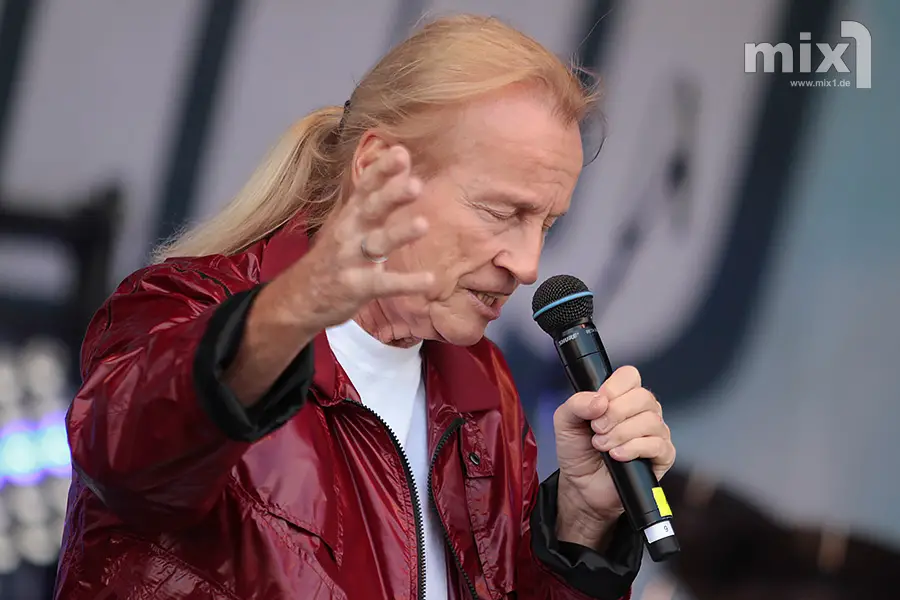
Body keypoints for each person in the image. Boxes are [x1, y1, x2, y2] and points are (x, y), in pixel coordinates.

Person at [56, 14, 676, 600]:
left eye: (547, 224)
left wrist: (582, 523)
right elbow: (127, 454)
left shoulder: (482, 387)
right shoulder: (181, 306)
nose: (528, 263)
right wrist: (293, 308)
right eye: (501, 212)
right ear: (376, 166)